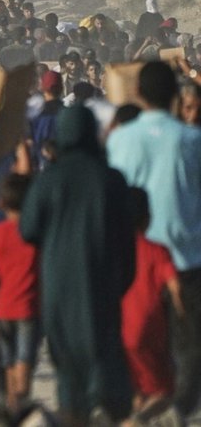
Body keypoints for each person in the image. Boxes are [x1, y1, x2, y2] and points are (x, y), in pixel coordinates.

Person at [22, 104, 137, 427]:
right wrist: (122, 280)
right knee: (104, 353)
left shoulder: (50, 179)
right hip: (103, 282)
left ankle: (74, 413)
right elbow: (127, 238)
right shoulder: (111, 179)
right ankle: (105, 408)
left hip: (58, 284)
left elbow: (28, 228)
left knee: (67, 363)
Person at [107, 61, 201, 420]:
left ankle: (146, 405)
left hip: (136, 262)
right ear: (176, 97)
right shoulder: (192, 140)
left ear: (139, 94)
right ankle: (177, 409)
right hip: (186, 260)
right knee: (189, 347)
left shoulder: (119, 140)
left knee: (139, 342)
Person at [0, 174, 40, 417]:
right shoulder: (37, 234)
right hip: (28, 307)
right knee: (24, 360)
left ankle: (11, 410)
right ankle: (22, 408)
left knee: (7, 364)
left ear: (1, 204)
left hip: (0, 308)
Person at [123, 187, 185, 418]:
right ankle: (138, 422)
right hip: (149, 334)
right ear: (148, 217)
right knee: (165, 392)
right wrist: (182, 313)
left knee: (136, 393)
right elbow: (174, 285)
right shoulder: (157, 251)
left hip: (118, 333)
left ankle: (135, 418)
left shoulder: (112, 250)